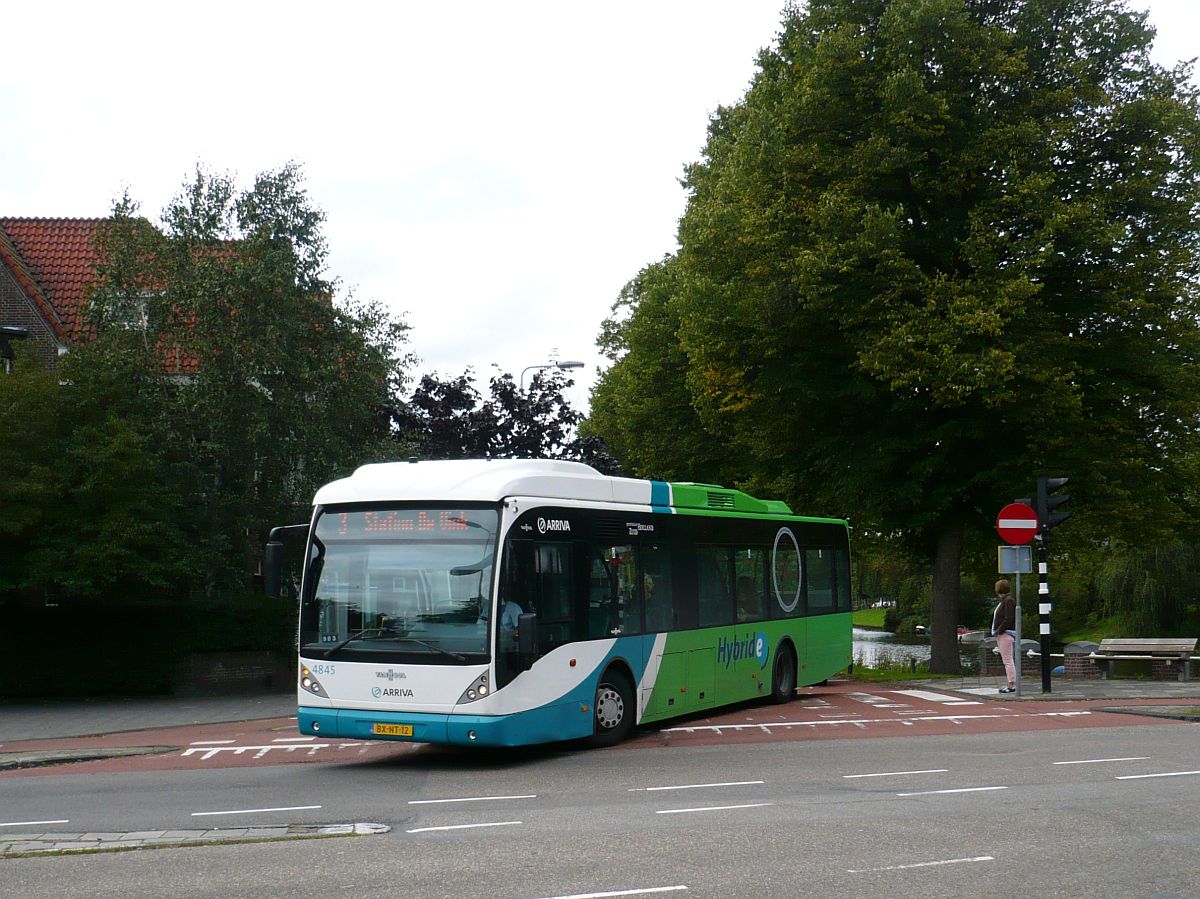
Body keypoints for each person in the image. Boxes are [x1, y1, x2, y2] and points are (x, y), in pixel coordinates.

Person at [991, 579, 1017, 693]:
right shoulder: (1005, 600)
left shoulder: (1008, 601)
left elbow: (1008, 618)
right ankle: (1011, 683)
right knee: (1007, 660)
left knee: (1008, 660)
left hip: (1005, 634)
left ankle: (1011, 685)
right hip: (1003, 633)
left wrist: (999, 630)